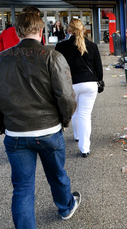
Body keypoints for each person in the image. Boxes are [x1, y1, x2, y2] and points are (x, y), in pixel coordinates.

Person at [0, 12, 80, 228]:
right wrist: (64, 121)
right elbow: (65, 96)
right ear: (41, 30)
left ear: (17, 32)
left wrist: (4, 125)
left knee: (22, 188)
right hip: (48, 129)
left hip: (16, 133)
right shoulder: (51, 56)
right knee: (57, 174)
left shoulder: (2, 58)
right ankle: (65, 207)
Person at [55, 18, 103, 157]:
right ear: (83, 29)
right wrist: (99, 81)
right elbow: (98, 69)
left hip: (71, 85)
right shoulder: (92, 46)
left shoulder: (61, 47)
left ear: (69, 30)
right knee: (85, 115)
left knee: (75, 111)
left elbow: (58, 68)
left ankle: (77, 135)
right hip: (90, 84)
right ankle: (84, 147)